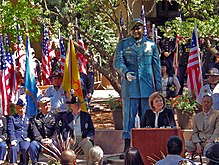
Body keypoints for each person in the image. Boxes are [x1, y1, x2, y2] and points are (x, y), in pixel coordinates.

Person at [114, 18, 162, 155]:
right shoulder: (123, 45)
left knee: (146, 117)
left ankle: (145, 145)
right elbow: (118, 62)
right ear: (130, 30)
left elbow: (156, 68)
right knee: (128, 118)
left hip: (147, 88)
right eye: (134, 28)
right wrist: (125, 72)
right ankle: (127, 147)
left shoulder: (151, 45)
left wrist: (158, 89)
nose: (136, 31)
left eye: (139, 28)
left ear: (143, 29)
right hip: (130, 88)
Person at [60, 96, 95, 164]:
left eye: (79, 104)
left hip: (83, 139)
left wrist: (88, 138)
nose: (78, 106)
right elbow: (64, 131)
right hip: (72, 139)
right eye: (76, 105)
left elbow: (91, 130)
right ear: (71, 106)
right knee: (66, 151)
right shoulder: (66, 117)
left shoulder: (86, 116)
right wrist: (69, 138)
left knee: (89, 146)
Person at [29, 97, 59, 164]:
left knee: (56, 144)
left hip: (51, 141)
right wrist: (41, 140)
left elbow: (57, 130)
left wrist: (51, 139)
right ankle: (35, 163)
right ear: (41, 107)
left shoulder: (55, 116)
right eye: (45, 105)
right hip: (40, 141)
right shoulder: (35, 118)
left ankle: (54, 162)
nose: (47, 106)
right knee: (33, 145)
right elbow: (35, 132)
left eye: (49, 104)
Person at [8, 98, 31, 165]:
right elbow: (11, 129)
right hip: (16, 138)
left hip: (25, 139)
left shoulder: (29, 118)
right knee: (13, 148)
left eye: (23, 108)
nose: (21, 110)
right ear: (16, 108)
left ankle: (25, 163)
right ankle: (13, 163)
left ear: (25, 108)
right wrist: (13, 139)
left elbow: (31, 130)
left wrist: (29, 137)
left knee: (25, 148)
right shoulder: (12, 118)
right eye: (19, 108)